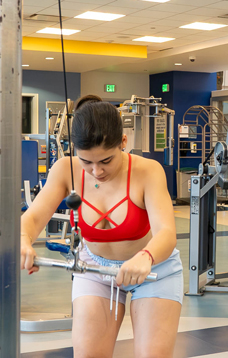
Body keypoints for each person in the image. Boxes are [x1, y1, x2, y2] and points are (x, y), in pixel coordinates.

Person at [21, 96, 183, 357]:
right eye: (87, 162)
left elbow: (166, 232)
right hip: (95, 269)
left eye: (106, 161)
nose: (96, 171)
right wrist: (22, 239)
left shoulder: (148, 171)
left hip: (154, 270)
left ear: (123, 143)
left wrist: (146, 256)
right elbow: (32, 219)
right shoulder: (65, 169)